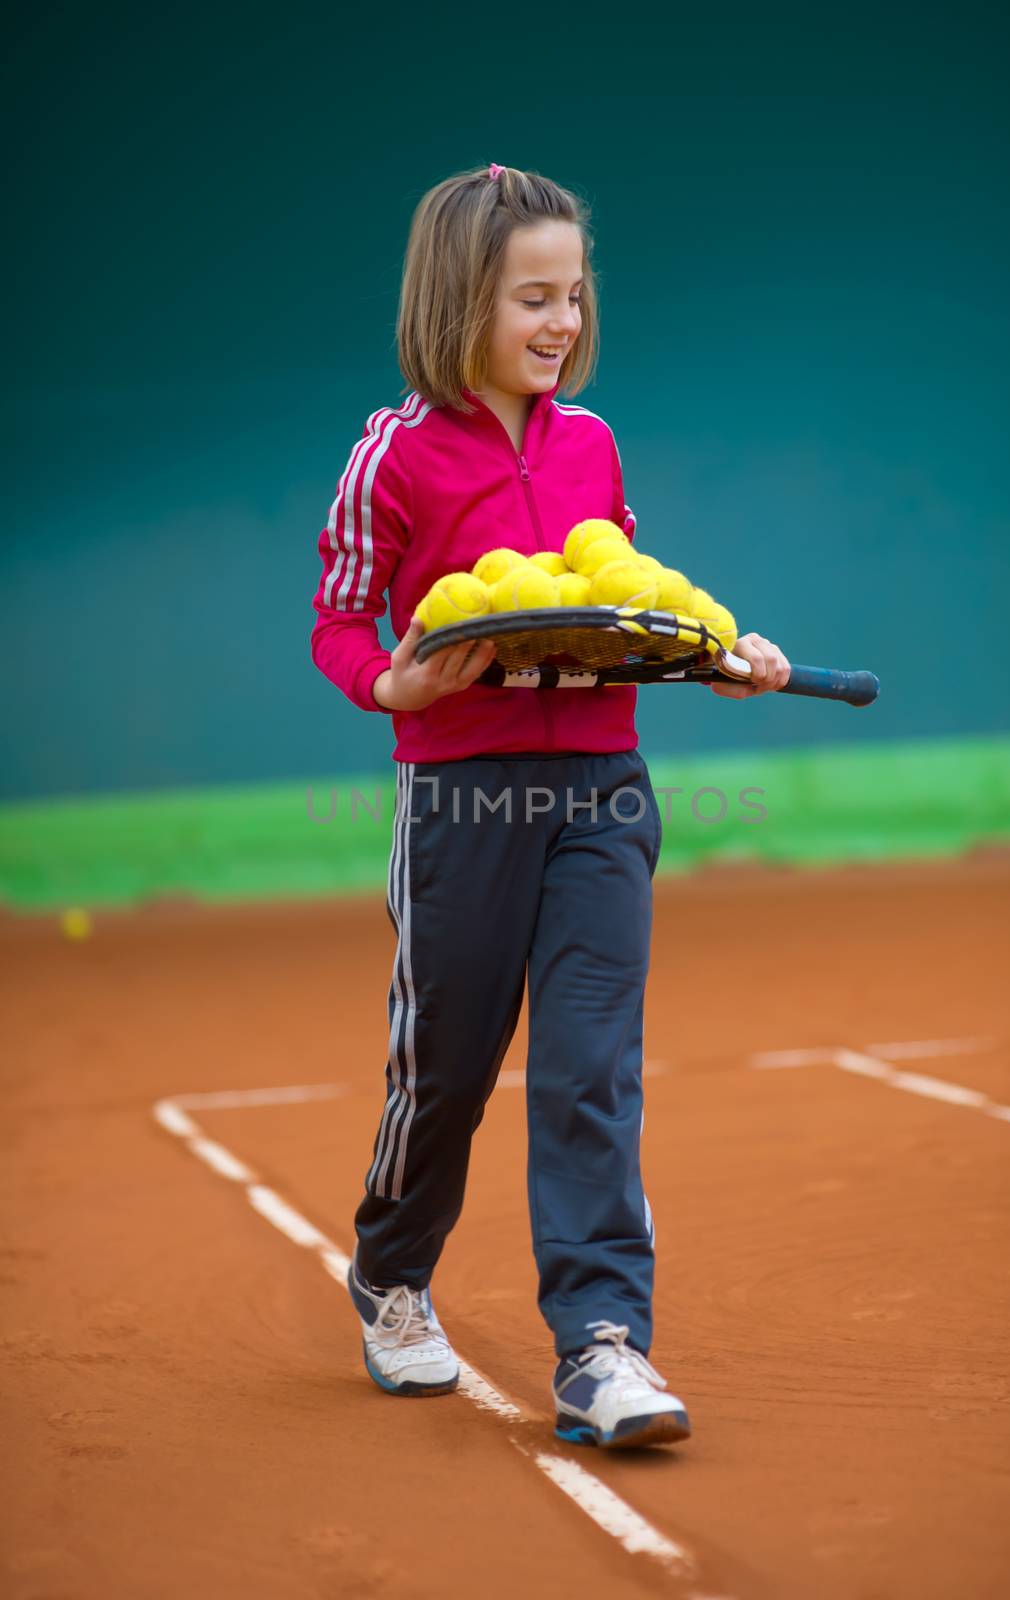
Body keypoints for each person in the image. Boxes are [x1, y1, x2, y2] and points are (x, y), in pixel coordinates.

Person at [310, 161, 789, 1449]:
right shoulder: (393, 456)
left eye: (572, 296)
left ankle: (601, 1346)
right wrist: (392, 680)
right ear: (460, 300)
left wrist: (715, 654)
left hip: (603, 796)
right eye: (533, 298)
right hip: (461, 803)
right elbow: (341, 622)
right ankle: (392, 1274)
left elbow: (622, 594)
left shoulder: (591, 443)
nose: (562, 323)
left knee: (589, 1070)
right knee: (449, 1069)